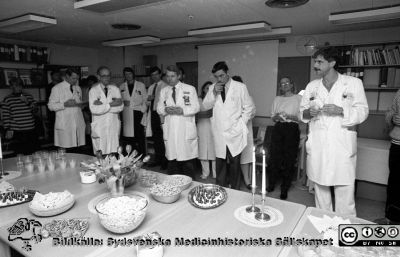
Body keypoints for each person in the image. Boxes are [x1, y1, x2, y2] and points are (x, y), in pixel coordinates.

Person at [300, 46, 369, 216]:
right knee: (321, 194)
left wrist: (341, 111)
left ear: (332, 63)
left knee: (344, 194)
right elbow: (302, 112)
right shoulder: (311, 86)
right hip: (318, 146)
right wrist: (310, 112)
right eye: (315, 61)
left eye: (319, 62)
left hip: (341, 146)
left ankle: (345, 234)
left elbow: (363, 111)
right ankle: (325, 231)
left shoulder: (353, 83)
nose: (315, 65)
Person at [202, 61, 255, 190]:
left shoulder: (240, 87)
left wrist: (241, 123)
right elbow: (205, 105)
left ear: (227, 73)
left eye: (221, 75)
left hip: (235, 131)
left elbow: (250, 107)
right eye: (216, 77)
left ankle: (235, 190)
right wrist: (214, 93)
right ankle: (220, 189)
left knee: (235, 163)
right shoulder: (213, 88)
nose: (219, 79)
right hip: (220, 131)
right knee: (220, 163)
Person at [157, 65, 199, 179]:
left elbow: (196, 107)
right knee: (173, 162)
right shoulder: (164, 91)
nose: (169, 79)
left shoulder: (190, 89)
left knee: (187, 162)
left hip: (185, 129)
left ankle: (190, 187)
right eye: (167, 76)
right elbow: (159, 108)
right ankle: (174, 188)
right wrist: (165, 109)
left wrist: (182, 110)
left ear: (179, 76)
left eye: (172, 76)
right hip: (170, 129)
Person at [268, 77, 302, 200]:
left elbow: (302, 118)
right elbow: (272, 117)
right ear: (280, 86)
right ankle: (271, 184)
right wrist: (277, 116)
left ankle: (285, 188)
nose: (285, 85)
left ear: (292, 85)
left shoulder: (299, 98)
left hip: (292, 129)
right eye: (282, 83)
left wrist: (290, 116)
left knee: (289, 158)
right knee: (274, 157)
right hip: (278, 128)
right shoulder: (277, 99)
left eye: (287, 82)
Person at [48, 68, 86, 152]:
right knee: (64, 149)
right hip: (65, 124)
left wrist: (81, 105)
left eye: (77, 78)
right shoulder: (57, 88)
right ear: (67, 76)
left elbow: (78, 103)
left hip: (77, 123)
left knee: (77, 149)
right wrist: (64, 104)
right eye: (73, 78)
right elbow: (50, 106)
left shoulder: (78, 88)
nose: (75, 80)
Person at [89, 66, 124, 154]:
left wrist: (103, 106)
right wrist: (111, 104)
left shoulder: (115, 89)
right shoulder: (93, 91)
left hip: (113, 124)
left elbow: (120, 107)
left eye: (108, 75)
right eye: (104, 75)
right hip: (100, 126)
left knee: (113, 152)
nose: (107, 78)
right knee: (100, 152)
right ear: (98, 77)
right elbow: (94, 110)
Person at [231, 75, 256, 190]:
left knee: (245, 158)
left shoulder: (248, 97)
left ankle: (246, 180)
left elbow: (252, 112)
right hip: (231, 133)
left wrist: (240, 117)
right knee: (231, 157)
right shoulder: (226, 97)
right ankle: (232, 180)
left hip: (244, 131)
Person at [2, 77, 38, 154]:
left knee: (32, 152)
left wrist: (27, 102)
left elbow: (35, 111)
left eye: (20, 86)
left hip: (30, 129)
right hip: (17, 131)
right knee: (19, 153)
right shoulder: (7, 99)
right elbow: (6, 116)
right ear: (11, 87)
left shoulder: (29, 96)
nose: (19, 88)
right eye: (16, 86)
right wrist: (7, 129)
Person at [380, 89, 400, 224]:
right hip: (397, 143)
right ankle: (391, 218)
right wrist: (392, 117)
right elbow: (391, 111)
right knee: (394, 181)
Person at [120, 67, 147, 155]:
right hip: (126, 114)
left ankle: (141, 155)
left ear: (133, 74)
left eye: (129, 74)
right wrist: (123, 102)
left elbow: (145, 99)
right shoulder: (121, 86)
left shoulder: (141, 85)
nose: (128, 76)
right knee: (128, 137)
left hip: (138, 112)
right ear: (124, 76)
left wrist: (142, 110)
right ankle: (130, 155)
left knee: (139, 136)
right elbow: (119, 100)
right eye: (126, 74)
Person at [146, 66, 168, 169]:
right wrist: (149, 99)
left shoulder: (165, 86)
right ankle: (158, 159)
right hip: (153, 113)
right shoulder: (150, 87)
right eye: (152, 75)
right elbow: (146, 102)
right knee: (156, 138)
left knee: (163, 138)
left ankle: (165, 161)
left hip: (162, 114)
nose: (154, 77)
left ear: (160, 74)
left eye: (156, 74)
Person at [196, 81, 216, 180]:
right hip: (202, 126)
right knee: (202, 150)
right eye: (207, 88)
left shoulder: (217, 98)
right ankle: (205, 173)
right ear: (203, 89)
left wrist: (209, 112)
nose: (208, 90)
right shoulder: (199, 99)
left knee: (214, 151)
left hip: (213, 126)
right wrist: (209, 112)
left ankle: (216, 174)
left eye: (210, 88)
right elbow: (200, 112)